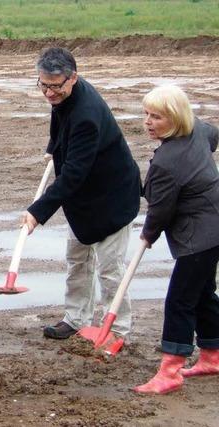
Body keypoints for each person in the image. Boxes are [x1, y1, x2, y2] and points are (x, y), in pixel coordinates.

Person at [22, 47, 141, 344]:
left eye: (55, 85)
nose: (49, 92)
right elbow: (59, 117)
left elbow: (73, 174)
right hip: (84, 196)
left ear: (73, 78)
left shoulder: (86, 115)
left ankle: (118, 330)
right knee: (77, 259)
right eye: (43, 85)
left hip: (112, 196)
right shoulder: (64, 94)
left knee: (110, 269)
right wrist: (54, 146)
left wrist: (38, 211)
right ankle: (75, 319)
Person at [133, 85, 219, 394]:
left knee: (180, 300)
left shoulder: (167, 162)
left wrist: (148, 234)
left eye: (157, 117)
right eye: (147, 115)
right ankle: (212, 355)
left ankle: (170, 370)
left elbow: (161, 210)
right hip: (215, 227)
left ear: (177, 118)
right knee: (203, 291)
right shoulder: (198, 131)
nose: (149, 122)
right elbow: (213, 136)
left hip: (200, 236)